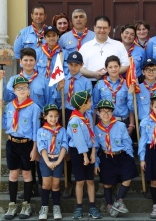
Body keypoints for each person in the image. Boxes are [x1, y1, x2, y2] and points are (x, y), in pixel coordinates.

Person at [0, 47, 51, 200]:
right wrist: (1, 80)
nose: (28, 63)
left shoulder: (42, 80)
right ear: (21, 62)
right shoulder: (14, 80)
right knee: (27, 161)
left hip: (40, 123)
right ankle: (31, 188)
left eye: (31, 60)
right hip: (21, 124)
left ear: (35, 62)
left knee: (39, 155)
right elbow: (6, 96)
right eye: (25, 60)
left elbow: (48, 102)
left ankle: (42, 186)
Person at [0, 77, 40, 220]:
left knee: (27, 174)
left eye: (24, 88)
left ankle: (26, 205)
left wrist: (34, 149)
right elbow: (3, 125)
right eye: (19, 88)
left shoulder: (34, 107)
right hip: (12, 143)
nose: (22, 90)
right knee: (13, 174)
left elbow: (36, 131)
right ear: (14, 91)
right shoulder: (9, 106)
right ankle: (12, 204)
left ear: (28, 90)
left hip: (27, 144)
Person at [53, 51, 92, 198]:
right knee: (66, 148)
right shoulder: (62, 79)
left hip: (80, 116)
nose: (73, 67)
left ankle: (79, 181)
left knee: (79, 148)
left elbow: (89, 103)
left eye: (76, 65)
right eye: (70, 64)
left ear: (81, 65)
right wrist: (58, 89)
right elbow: (56, 101)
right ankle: (67, 183)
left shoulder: (86, 82)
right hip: (65, 113)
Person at [94, 99, 138, 218]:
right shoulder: (96, 129)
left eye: (108, 111)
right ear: (98, 113)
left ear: (112, 112)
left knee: (128, 177)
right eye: (103, 112)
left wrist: (129, 155)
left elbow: (127, 141)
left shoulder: (120, 125)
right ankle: (109, 205)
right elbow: (95, 148)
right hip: (106, 156)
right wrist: (96, 163)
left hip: (121, 155)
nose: (106, 114)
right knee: (107, 184)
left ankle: (118, 201)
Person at [67, 91, 101, 219]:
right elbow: (79, 139)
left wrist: (93, 152)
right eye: (89, 101)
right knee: (80, 181)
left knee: (90, 180)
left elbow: (92, 135)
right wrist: (85, 156)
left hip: (89, 151)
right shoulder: (75, 120)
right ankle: (79, 207)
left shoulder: (87, 116)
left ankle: (92, 206)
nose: (91, 103)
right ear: (82, 105)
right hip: (78, 153)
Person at [37, 104, 68, 220]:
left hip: (58, 159)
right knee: (46, 185)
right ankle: (44, 208)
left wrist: (59, 160)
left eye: (56, 116)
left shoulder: (62, 130)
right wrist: (48, 162)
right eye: (50, 116)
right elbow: (42, 147)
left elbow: (64, 145)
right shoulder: (41, 131)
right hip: (46, 160)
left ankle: (56, 207)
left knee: (55, 185)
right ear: (45, 116)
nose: (53, 119)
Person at [79, 15, 129, 85]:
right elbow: (79, 67)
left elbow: (125, 65)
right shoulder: (85, 47)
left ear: (109, 29)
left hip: (113, 83)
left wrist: (110, 73)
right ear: (94, 28)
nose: (102, 30)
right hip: (89, 83)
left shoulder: (118, 45)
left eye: (105, 28)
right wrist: (94, 74)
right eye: (99, 27)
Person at [93, 55, 134, 135]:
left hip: (122, 121)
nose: (113, 69)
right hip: (103, 121)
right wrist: (94, 124)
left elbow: (130, 107)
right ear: (106, 68)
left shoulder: (127, 84)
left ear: (120, 67)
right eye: (110, 67)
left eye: (116, 66)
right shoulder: (100, 84)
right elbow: (95, 106)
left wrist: (131, 124)